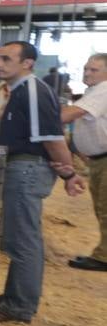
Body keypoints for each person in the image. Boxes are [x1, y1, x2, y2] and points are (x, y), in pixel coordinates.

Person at [0, 41, 87, 324]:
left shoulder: (31, 91)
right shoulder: (21, 91)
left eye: (6, 58)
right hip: (23, 168)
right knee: (19, 237)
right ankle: (13, 297)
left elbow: (51, 137)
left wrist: (69, 174)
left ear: (27, 63)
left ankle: (19, 306)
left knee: (24, 240)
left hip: (28, 170)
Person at [61, 53, 107, 271]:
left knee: (105, 207)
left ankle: (104, 257)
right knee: (101, 207)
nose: (87, 73)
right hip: (99, 160)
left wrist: (40, 116)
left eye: (94, 70)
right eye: (86, 68)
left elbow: (71, 114)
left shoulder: (104, 90)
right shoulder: (94, 91)